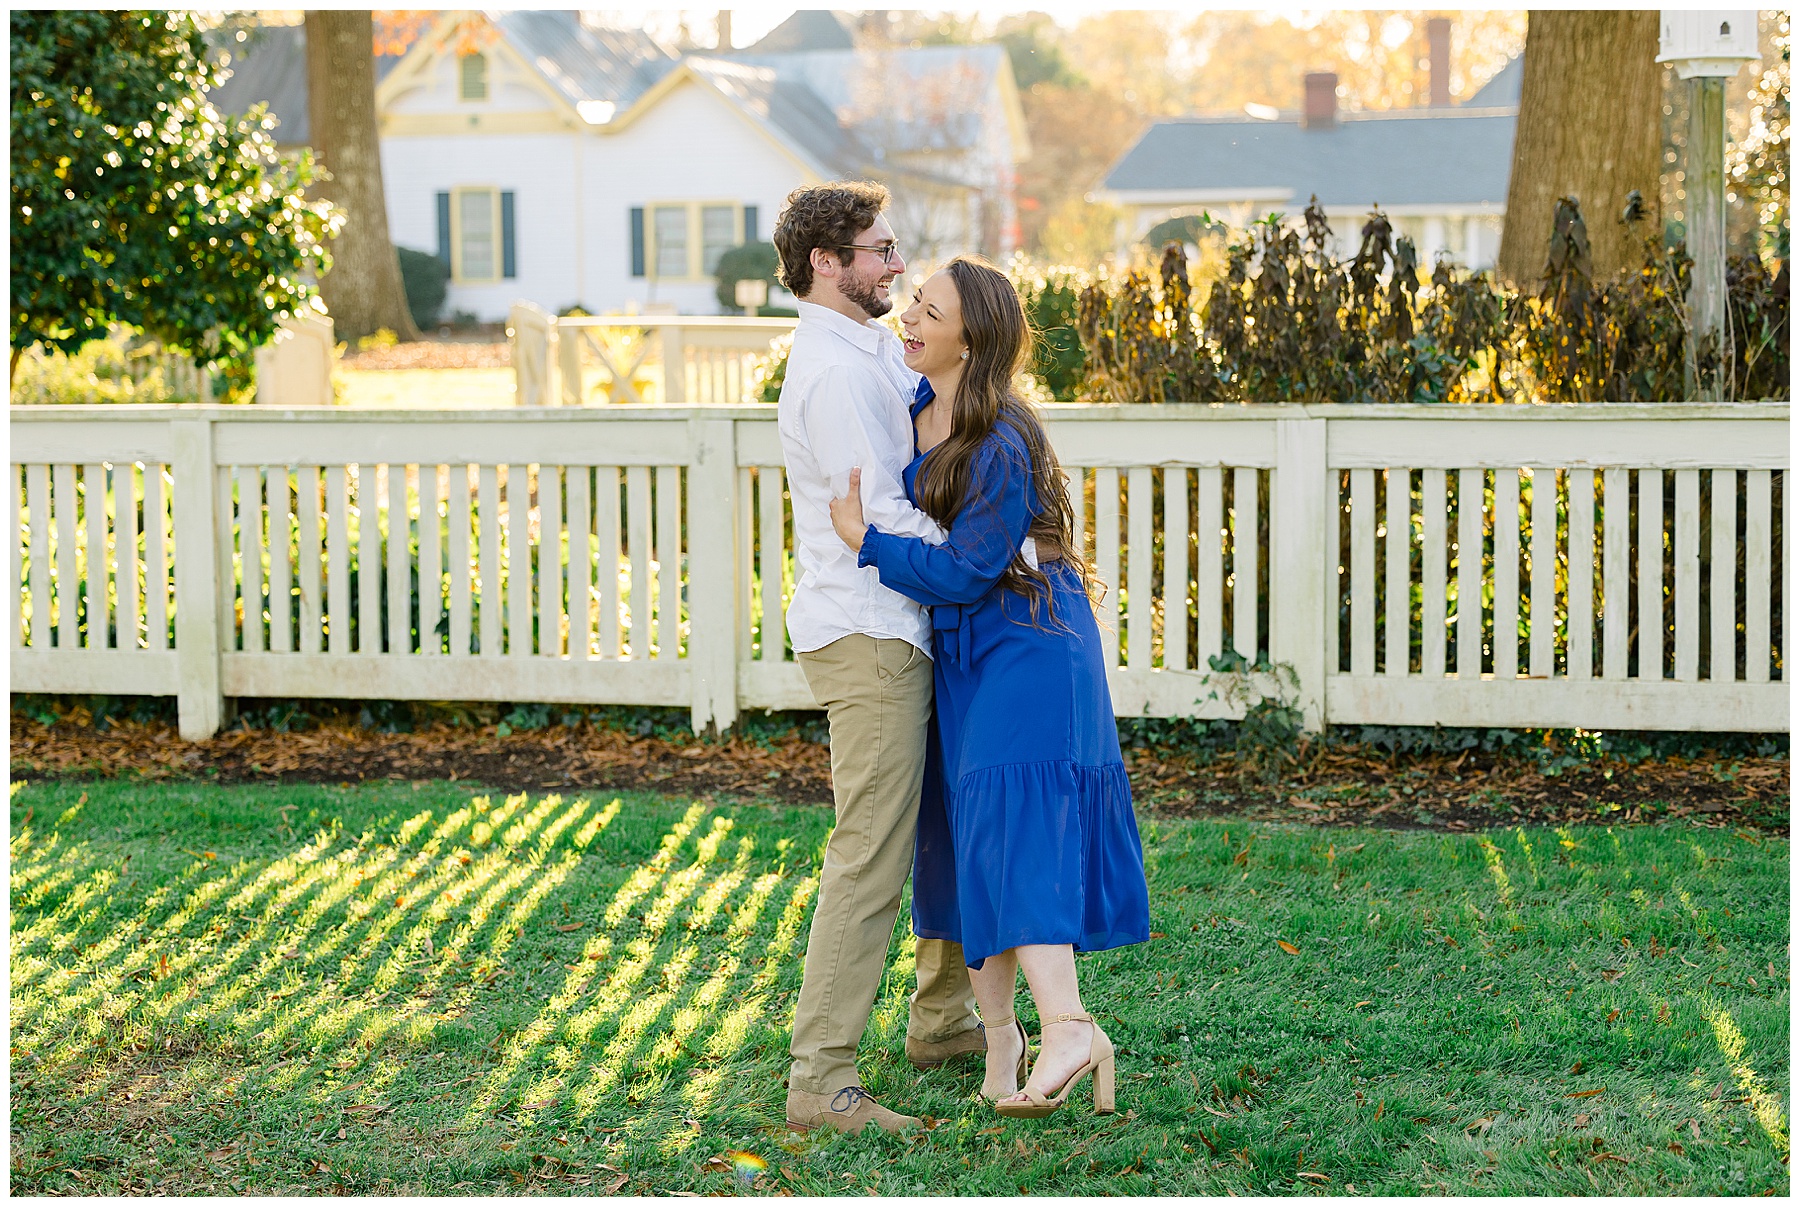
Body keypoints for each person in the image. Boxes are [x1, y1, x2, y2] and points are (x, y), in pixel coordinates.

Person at [827, 256, 1151, 1118]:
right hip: (969, 651)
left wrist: (866, 541)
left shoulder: (1001, 435)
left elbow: (970, 568)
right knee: (976, 836)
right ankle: (1002, 1038)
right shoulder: (914, 403)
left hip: (1030, 641)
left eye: (930, 313)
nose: (910, 318)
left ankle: (1070, 1026)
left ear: (971, 342)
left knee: (1017, 828)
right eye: (915, 303)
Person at [770, 182, 987, 1136]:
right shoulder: (834, 373)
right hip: (870, 631)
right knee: (870, 854)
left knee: (940, 825)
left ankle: (942, 1020)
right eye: (880, 251)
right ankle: (821, 1080)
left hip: (905, 621)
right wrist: (993, 553)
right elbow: (884, 516)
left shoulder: (866, 353)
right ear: (826, 262)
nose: (897, 266)